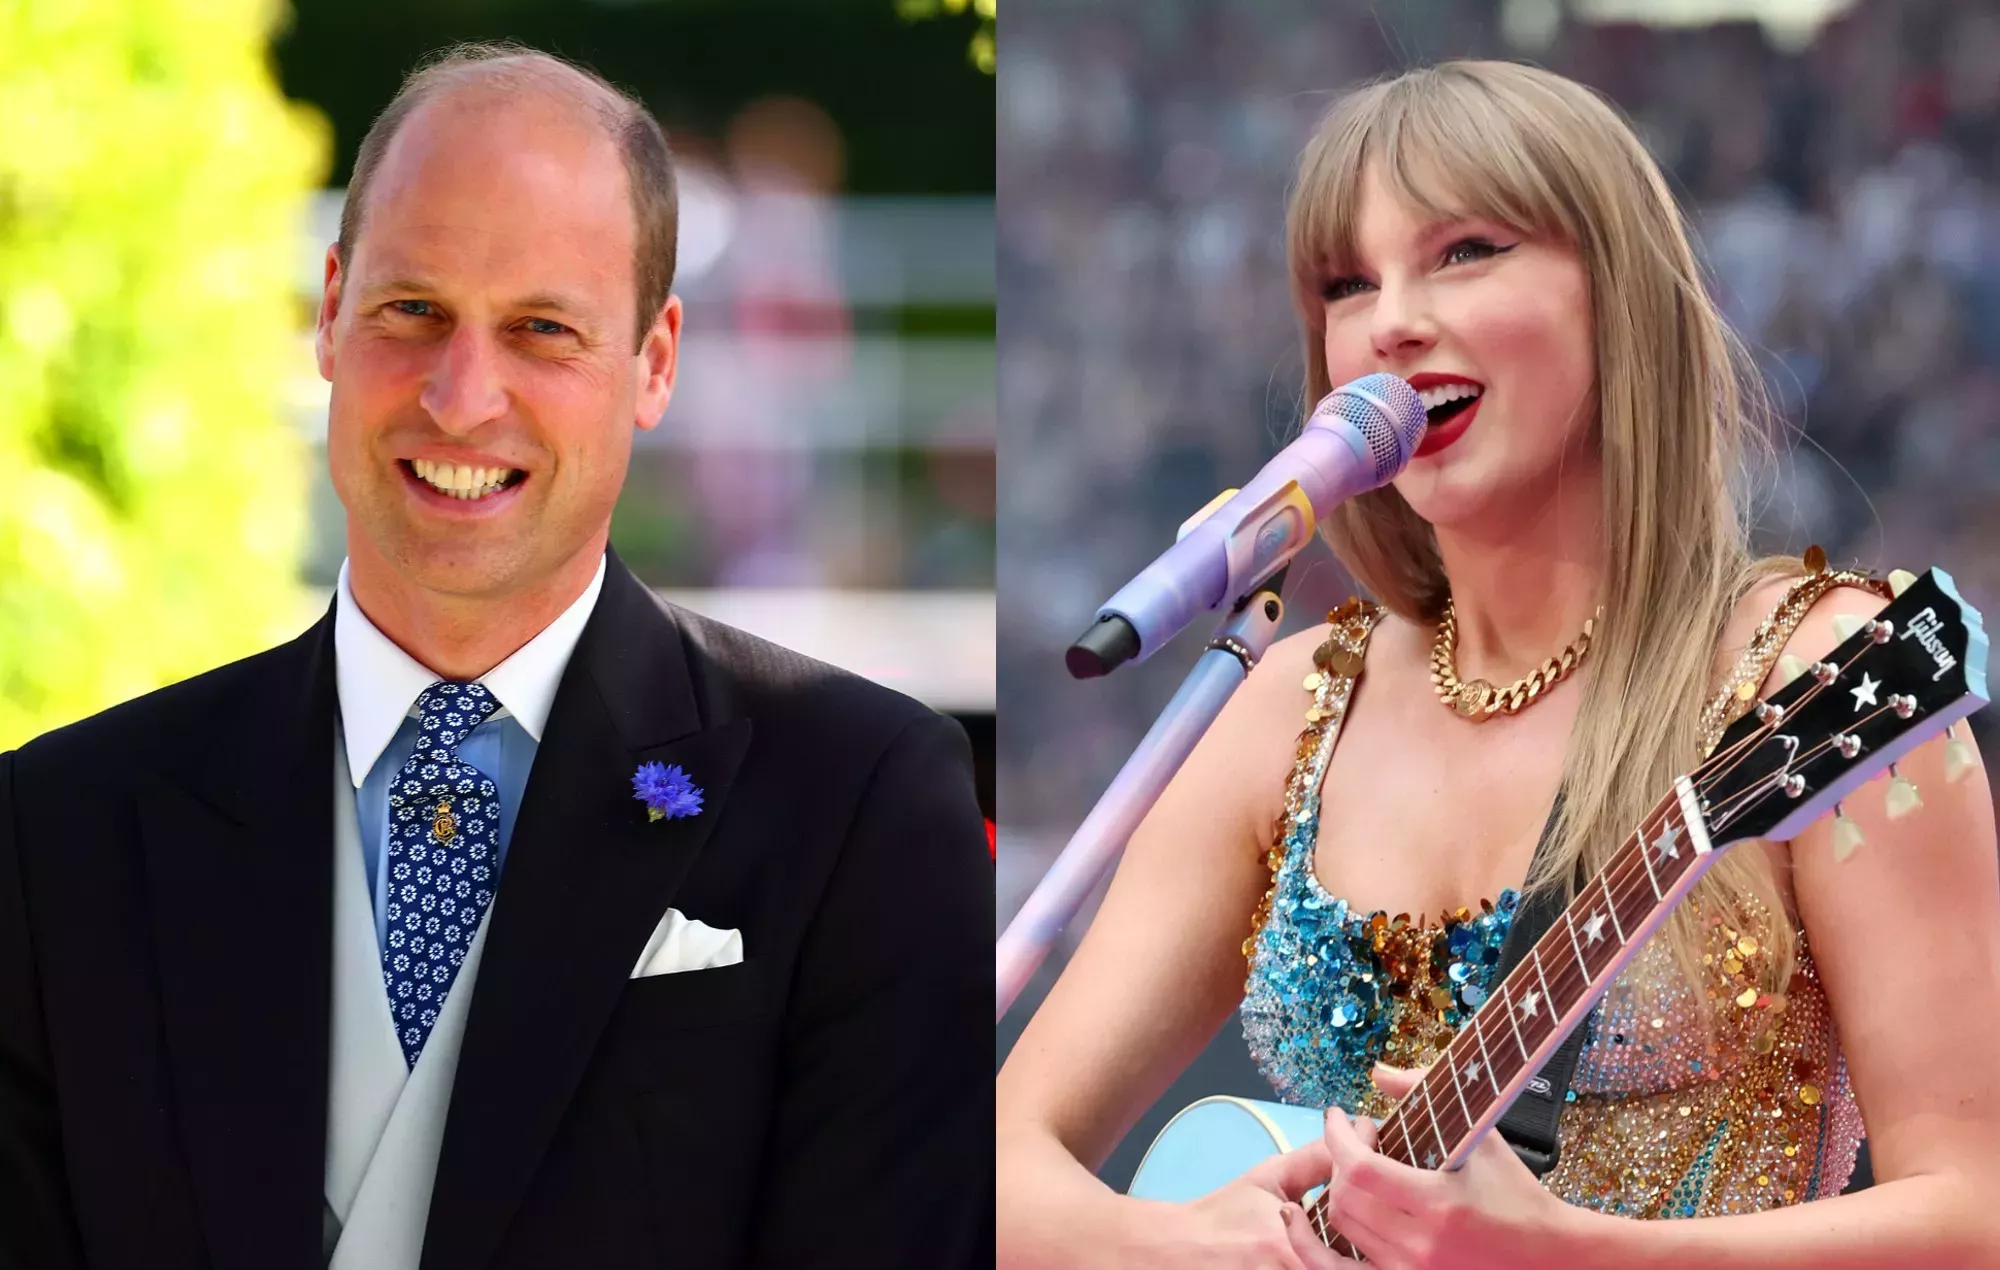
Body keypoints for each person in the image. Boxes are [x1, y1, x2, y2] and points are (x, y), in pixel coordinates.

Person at [0, 43, 991, 1270]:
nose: (462, 398)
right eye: (412, 310)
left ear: (657, 361)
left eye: (541, 329)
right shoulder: (61, 830)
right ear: (327, 313)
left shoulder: (860, 805)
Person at [996, 60, 2000, 1268]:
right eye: (1345, 282)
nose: (1391, 320)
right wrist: (1159, 1246)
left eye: (1464, 250)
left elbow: (1971, 1213)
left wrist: (1571, 1252)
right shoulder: (1289, 702)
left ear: (1615, 296)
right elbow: (992, 1160)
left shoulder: (1819, 672)